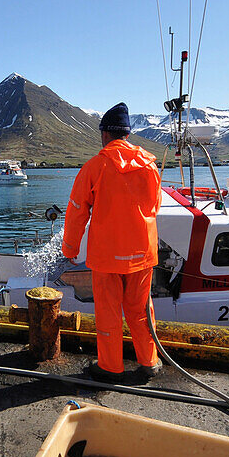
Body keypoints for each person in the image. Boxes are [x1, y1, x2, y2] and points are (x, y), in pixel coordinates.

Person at [62, 102, 163, 383]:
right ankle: (149, 362)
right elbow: (155, 205)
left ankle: (110, 366)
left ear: (105, 134)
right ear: (127, 134)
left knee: (108, 313)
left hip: (107, 256)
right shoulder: (150, 167)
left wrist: (70, 248)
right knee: (141, 310)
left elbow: (76, 211)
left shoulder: (95, 167)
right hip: (143, 254)